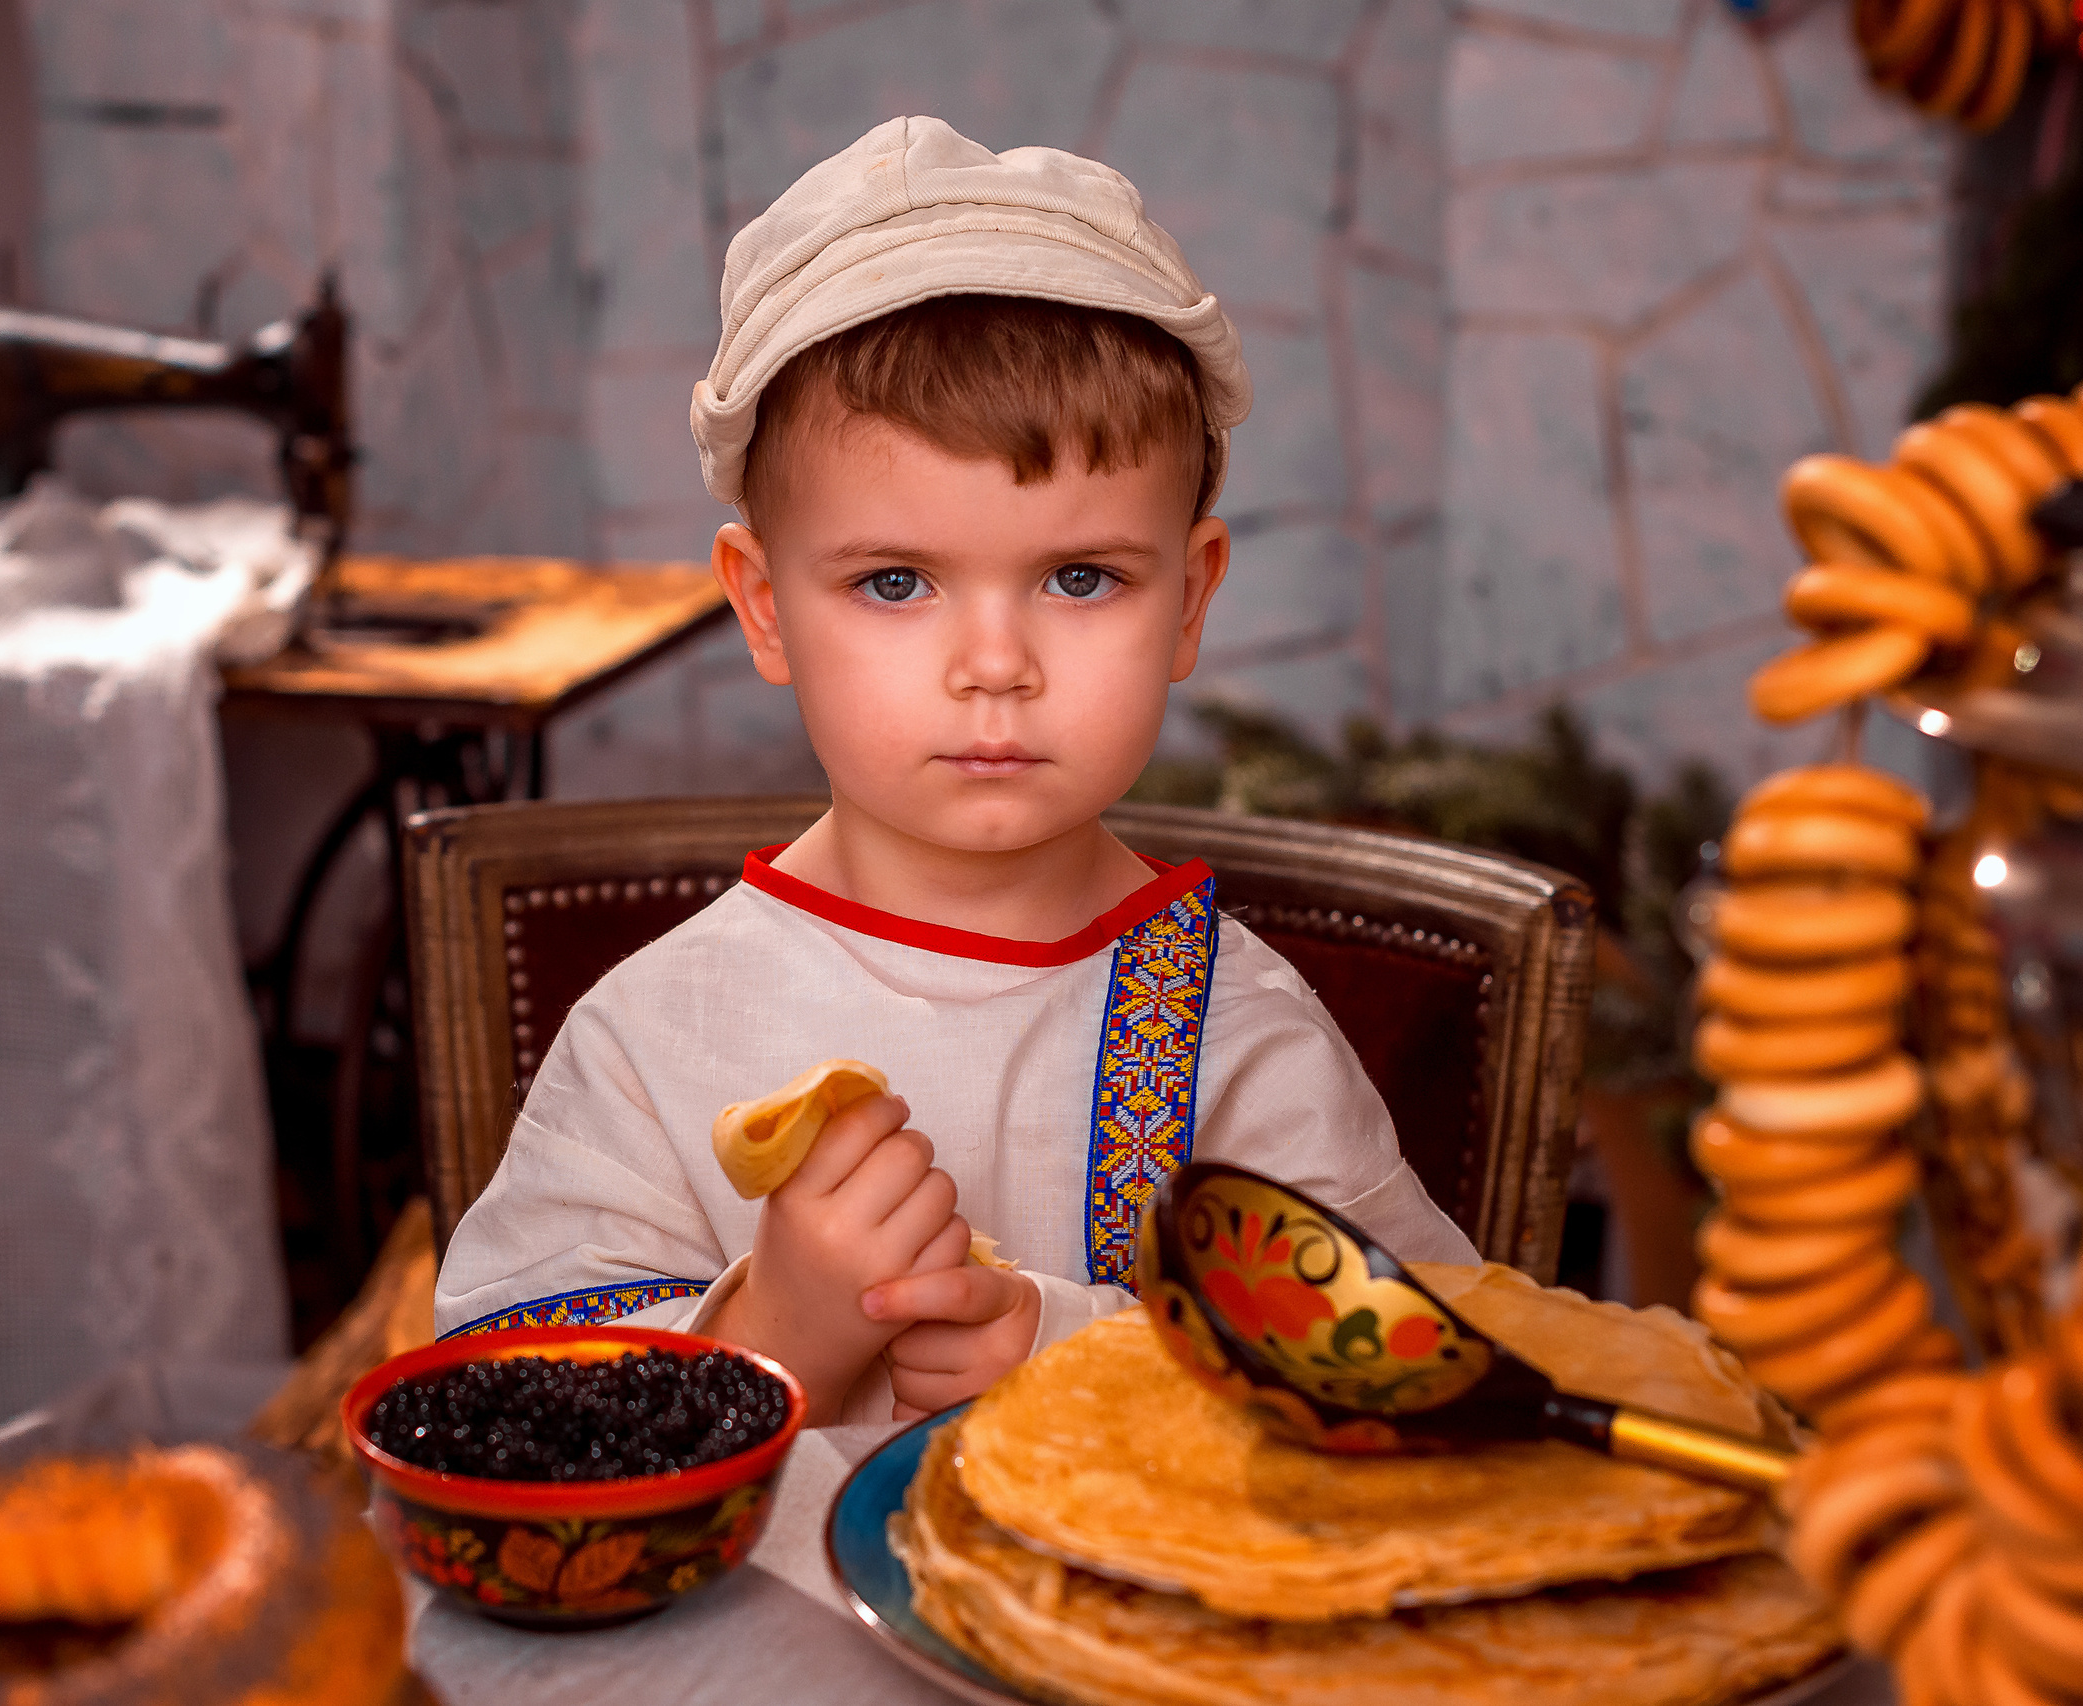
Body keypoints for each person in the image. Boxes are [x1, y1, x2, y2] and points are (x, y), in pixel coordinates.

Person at [434, 115, 1478, 1425]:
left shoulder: (1233, 1035)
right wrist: (768, 1340)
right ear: (762, 607)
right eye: (894, 582)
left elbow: (1429, 1377)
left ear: (1191, 600)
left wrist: (1080, 1348)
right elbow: (492, 1413)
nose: (996, 663)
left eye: (1080, 576)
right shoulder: (655, 1040)